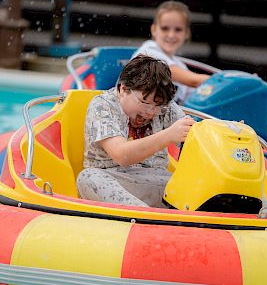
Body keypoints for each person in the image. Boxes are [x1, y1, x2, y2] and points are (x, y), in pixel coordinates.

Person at [77, 54, 195, 208]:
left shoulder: (165, 107)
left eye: (156, 106)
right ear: (124, 89)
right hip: (114, 181)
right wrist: (168, 136)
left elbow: (198, 140)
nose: (150, 112)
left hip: (159, 183)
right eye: (144, 103)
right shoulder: (102, 106)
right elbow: (122, 155)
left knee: (197, 183)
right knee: (88, 178)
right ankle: (147, 217)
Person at [133, 0, 210, 105]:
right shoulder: (148, 52)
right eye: (165, 28)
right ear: (154, 29)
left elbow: (196, 100)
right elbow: (194, 81)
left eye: (178, 29)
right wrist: (225, 82)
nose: (171, 35)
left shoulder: (181, 66)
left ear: (186, 33)